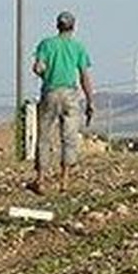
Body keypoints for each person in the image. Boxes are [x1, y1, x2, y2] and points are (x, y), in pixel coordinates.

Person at [30, 11, 95, 194]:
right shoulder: (78, 47)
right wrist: (90, 100)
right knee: (69, 137)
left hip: (50, 92)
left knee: (44, 137)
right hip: (70, 94)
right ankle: (64, 181)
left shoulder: (46, 44)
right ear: (73, 26)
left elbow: (37, 67)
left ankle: (40, 180)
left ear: (57, 25)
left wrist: (45, 75)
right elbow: (84, 76)